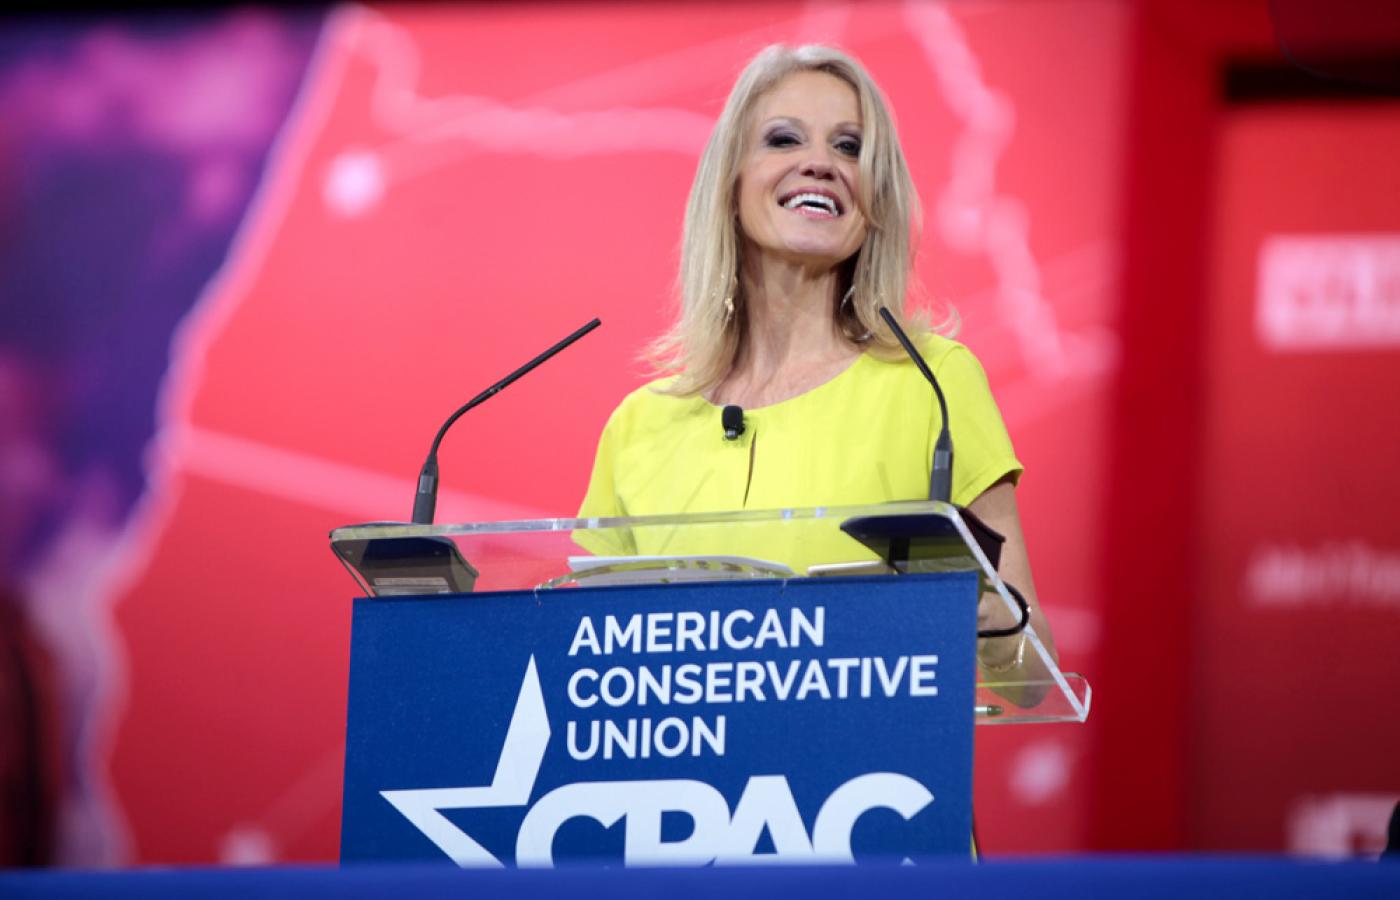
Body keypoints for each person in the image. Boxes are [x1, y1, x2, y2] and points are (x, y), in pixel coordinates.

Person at [577, 44, 1056, 680]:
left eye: (850, 148)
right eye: (784, 139)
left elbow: (1030, 674)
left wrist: (989, 619)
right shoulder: (639, 426)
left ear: (875, 200)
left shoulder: (933, 384)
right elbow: (578, 648)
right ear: (731, 184)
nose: (820, 164)